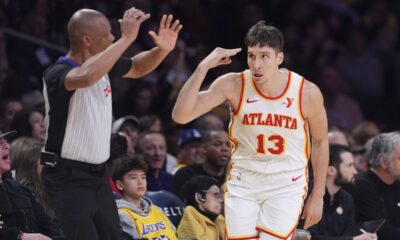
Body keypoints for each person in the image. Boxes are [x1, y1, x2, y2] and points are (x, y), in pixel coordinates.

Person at [172, 21, 329, 239]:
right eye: (251, 55)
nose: (256, 64)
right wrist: (203, 67)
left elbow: (321, 142)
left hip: (286, 184)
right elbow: (180, 115)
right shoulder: (233, 84)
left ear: (279, 58)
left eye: (264, 56)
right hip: (243, 182)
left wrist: (318, 195)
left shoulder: (306, 92)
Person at [41, 7, 182, 240]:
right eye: (108, 34)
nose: (113, 38)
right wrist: (128, 38)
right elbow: (86, 77)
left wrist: (162, 50)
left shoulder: (103, 66)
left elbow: (137, 67)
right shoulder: (57, 73)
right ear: (87, 40)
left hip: (98, 175)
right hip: (68, 177)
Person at [0, 131, 64, 240]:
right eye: (0, 144)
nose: (7, 146)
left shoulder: (20, 190)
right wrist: (21, 236)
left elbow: (48, 224)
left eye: (5, 142)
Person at [309, 144, 377, 240]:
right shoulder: (308, 194)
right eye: (349, 165)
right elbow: (309, 237)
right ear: (331, 170)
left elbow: (349, 233)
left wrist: (365, 236)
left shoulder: (346, 199)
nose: (355, 171)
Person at [112, 155, 177, 240]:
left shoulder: (157, 210)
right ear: (120, 185)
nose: (140, 182)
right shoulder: (122, 215)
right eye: (133, 177)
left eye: (143, 177)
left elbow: (175, 235)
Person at [350, 132, 400, 240]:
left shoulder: (396, 182)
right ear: (383, 162)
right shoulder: (362, 185)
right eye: (399, 158)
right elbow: (379, 230)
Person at [172, 129, 230, 200]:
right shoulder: (186, 175)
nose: (225, 149)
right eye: (217, 144)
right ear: (204, 148)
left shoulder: (236, 177)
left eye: (228, 145)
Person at [177, 175, 225, 240]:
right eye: (215, 195)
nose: (220, 200)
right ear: (199, 197)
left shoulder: (218, 219)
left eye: (220, 196)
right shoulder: (191, 213)